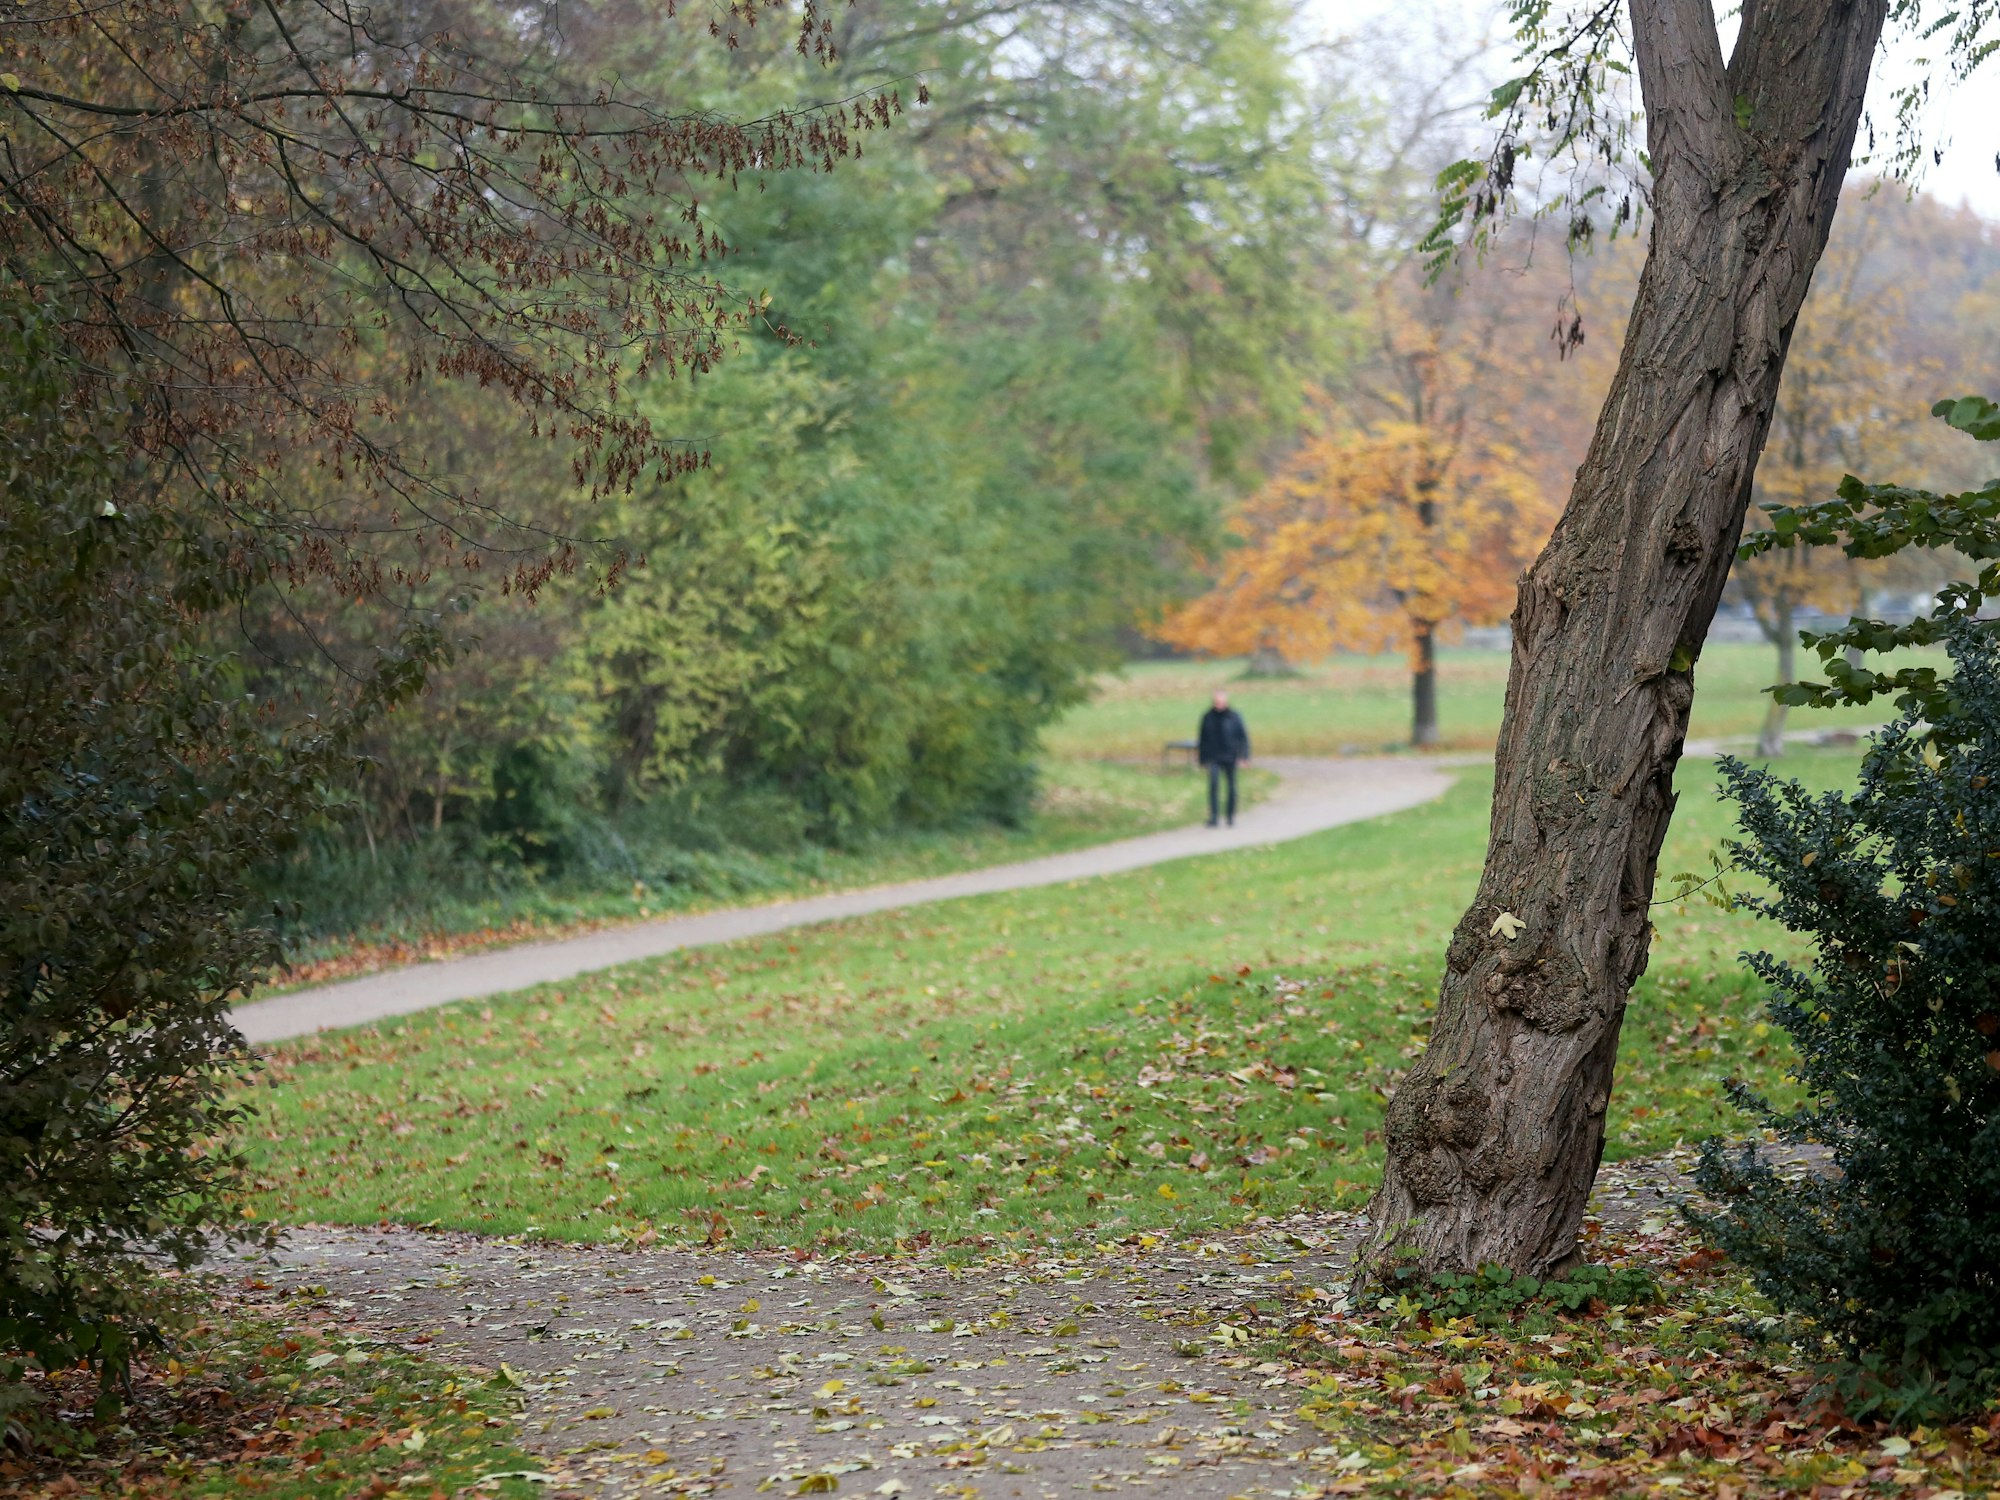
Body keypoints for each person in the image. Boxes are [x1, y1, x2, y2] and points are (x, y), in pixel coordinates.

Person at [1196, 691, 1251, 827]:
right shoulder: (1208, 717)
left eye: (1221, 702)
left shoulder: (1234, 717)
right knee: (1214, 785)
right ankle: (1214, 817)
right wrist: (1202, 759)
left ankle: (1230, 816)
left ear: (1226, 702)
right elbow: (1202, 739)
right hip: (1213, 757)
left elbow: (1243, 738)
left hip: (1230, 756)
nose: (1219, 705)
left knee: (1232, 787)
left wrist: (1244, 757)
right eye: (1216, 702)